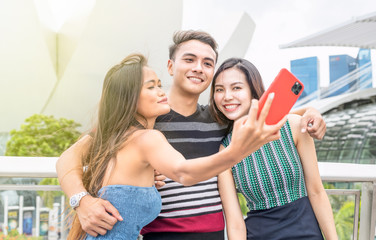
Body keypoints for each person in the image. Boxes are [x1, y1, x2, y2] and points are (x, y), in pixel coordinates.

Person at [56, 30, 327, 240]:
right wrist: (82, 201)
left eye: (208, 63)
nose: (199, 67)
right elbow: (68, 158)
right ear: (171, 67)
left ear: (211, 74)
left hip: (213, 235)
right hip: (159, 234)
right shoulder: (145, 119)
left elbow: (256, 114)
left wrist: (310, 112)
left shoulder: (219, 118)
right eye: (189, 59)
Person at [209, 58, 338, 239]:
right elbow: (235, 222)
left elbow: (316, 191)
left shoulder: (292, 126)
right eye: (219, 90)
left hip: (306, 232)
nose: (227, 96)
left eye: (236, 88)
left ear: (253, 91)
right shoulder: (226, 149)